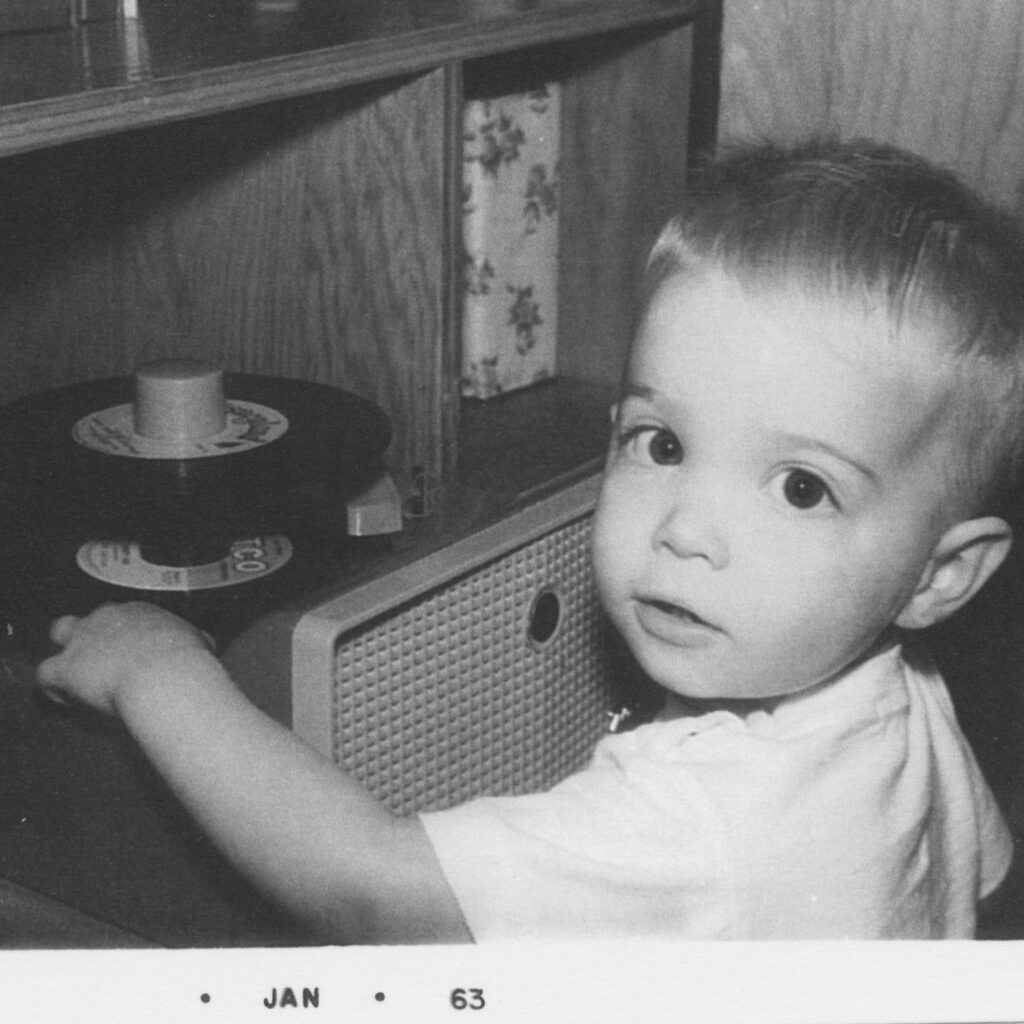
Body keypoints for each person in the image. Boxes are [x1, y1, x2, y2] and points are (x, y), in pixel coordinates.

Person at [37, 138, 1023, 941]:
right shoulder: (902, 688)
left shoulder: (703, 819)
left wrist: (156, 671)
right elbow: (981, 873)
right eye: (662, 441)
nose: (685, 528)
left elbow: (370, 887)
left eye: (802, 487)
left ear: (940, 576)